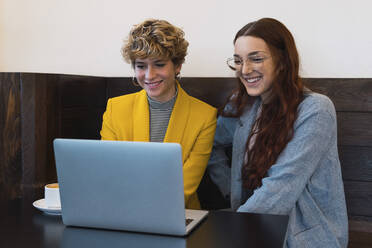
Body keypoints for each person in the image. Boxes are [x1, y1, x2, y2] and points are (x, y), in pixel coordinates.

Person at [207, 18, 348, 247]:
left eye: (256, 58)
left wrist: (234, 228)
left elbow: (282, 187)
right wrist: (229, 189)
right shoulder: (243, 105)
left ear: (282, 61)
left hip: (304, 237)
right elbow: (210, 144)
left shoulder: (316, 109)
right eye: (238, 61)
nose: (245, 69)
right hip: (254, 225)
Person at [100, 19, 217, 209]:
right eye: (141, 66)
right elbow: (110, 172)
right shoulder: (115, 108)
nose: (149, 75)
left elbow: (185, 187)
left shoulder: (205, 116)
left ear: (177, 65)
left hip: (178, 213)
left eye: (159, 64)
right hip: (122, 209)